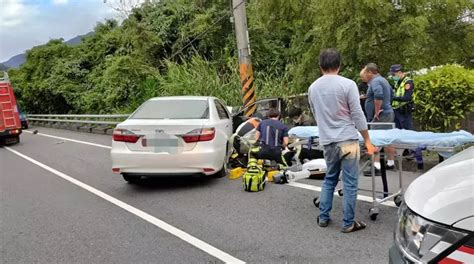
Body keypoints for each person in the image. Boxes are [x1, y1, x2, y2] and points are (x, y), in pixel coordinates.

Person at [308, 48, 376, 233]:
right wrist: (367, 140)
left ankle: (323, 217)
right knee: (350, 182)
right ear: (339, 65)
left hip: (328, 141)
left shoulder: (313, 88)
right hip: (348, 141)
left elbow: (316, 115)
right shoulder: (348, 85)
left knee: (329, 178)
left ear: (321, 65)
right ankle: (348, 223)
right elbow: (357, 115)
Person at [361, 64, 396, 173]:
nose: (365, 77)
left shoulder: (375, 81)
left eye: (365, 74)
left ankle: (376, 166)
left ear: (370, 72)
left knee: (375, 138)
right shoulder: (383, 80)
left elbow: (379, 95)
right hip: (387, 112)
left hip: (381, 115)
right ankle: (390, 162)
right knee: (387, 139)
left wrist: (377, 110)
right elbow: (392, 94)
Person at [390, 64, 414, 130]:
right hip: (396, 111)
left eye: (393, 75)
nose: (392, 76)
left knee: (408, 132)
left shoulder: (408, 82)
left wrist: (393, 98)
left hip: (404, 111)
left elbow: (407, 97)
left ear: (400, 73)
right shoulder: (397, 82)